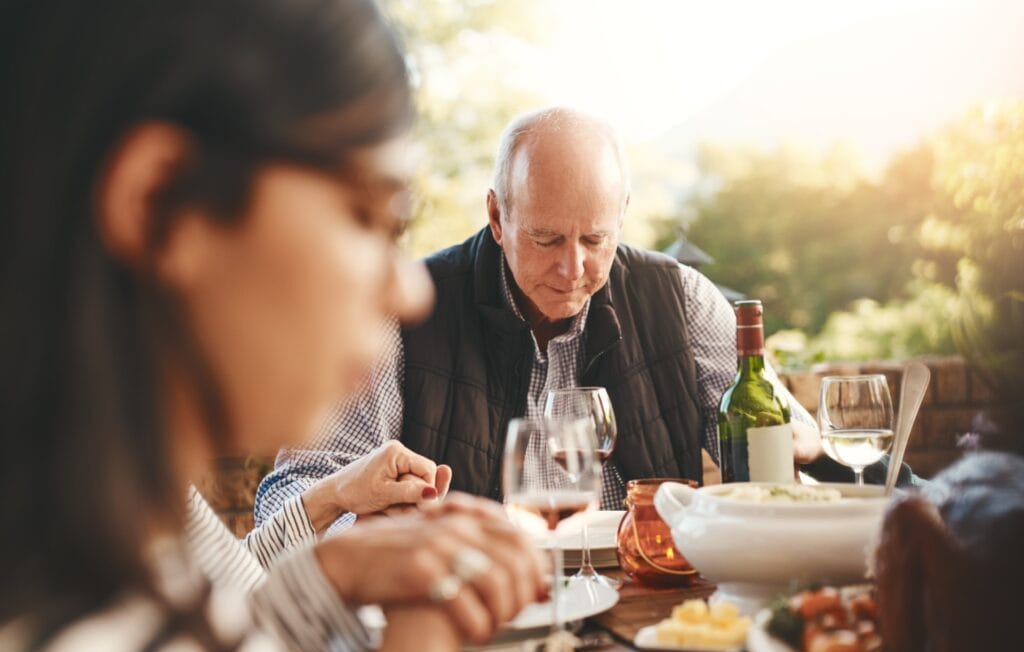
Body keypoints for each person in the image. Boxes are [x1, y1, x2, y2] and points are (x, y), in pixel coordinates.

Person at [0, 0, 546, 652]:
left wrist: (336, 548)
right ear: (164, 205)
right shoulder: (69, 634)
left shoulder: (106, 523)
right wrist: (416, 642)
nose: (412, 291)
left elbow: (225, 614)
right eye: (366, 214)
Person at [257, 107, 831, 532]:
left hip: (652, 610)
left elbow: (786, 462)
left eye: (595, 238)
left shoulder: (682, 301)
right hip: (471, 627)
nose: (572, 268)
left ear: (623, 217)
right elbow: (285, 498)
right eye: (545, 237)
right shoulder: (405, 315)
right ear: (497, 216)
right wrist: (366, 527)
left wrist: (799, 456)